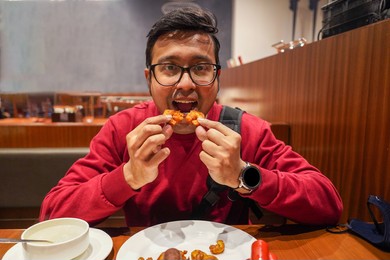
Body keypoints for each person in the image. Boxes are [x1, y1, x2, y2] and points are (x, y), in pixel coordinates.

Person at [39, 7, 343, 227]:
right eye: (169, 68)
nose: (185, 84)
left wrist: (244, 174)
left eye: (200, 68)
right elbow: (52, 215)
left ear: (218, 77)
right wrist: (128, 176)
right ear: (149, 79)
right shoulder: (123, 130)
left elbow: (328, 204)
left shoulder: (245, 130)